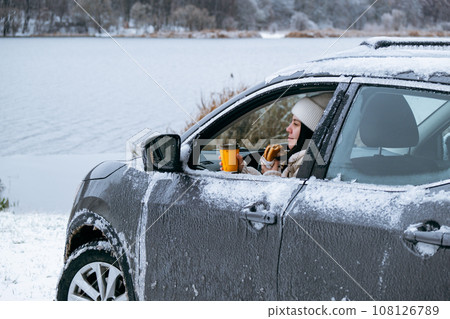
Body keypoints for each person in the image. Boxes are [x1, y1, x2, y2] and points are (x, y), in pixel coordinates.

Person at [236, 92, 333, 177]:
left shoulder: (308, 164)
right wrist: (243, 170)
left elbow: (286, 196)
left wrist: (271, 176)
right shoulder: (296, 159)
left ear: (310, 132)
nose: (288, 129)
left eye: (295, 124)